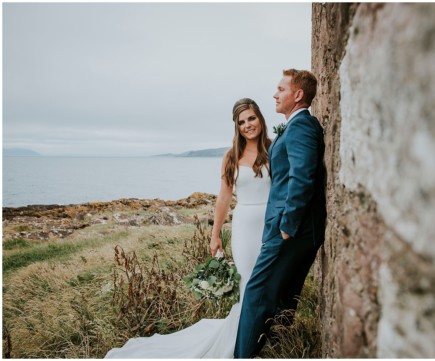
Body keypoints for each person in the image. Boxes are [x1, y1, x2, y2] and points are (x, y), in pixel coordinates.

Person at [105, 98, 273, 358]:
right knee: (248, 287)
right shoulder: (231, 157)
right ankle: (243, 346)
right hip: (244, 229)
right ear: (236, 127)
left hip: (270, 226)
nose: (247, 125)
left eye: (251, 118)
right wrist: (215, 235)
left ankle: (263, 336)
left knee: (269, 285)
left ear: (260, 118)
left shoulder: (274, 150)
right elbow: (224, 198)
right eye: (241, 122)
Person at [234, 69, 326, 358]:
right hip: (296, 230)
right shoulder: (298, 126)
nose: (275, 94)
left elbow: (303, 177)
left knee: (256, 293)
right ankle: (275, 348)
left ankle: (243, 356)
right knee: (283, 295)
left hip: (290, 230)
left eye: (281, 89)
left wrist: (287, 225)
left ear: (297, 95)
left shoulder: (300, 128)